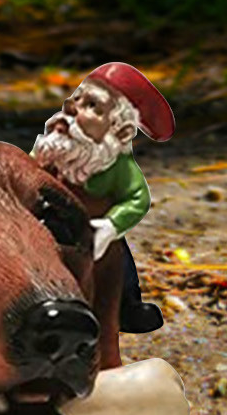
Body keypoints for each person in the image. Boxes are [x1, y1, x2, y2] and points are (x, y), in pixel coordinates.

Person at [31, 62, 175, 334]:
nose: (72, 109)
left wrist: (111, 224)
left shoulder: (118, 167)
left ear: (120, 131)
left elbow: (137, 199)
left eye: (92, 105)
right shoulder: (55, 149)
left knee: (116, 268)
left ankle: (127, 307)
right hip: (51, 227)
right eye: (76, 98)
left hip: (95, 233)